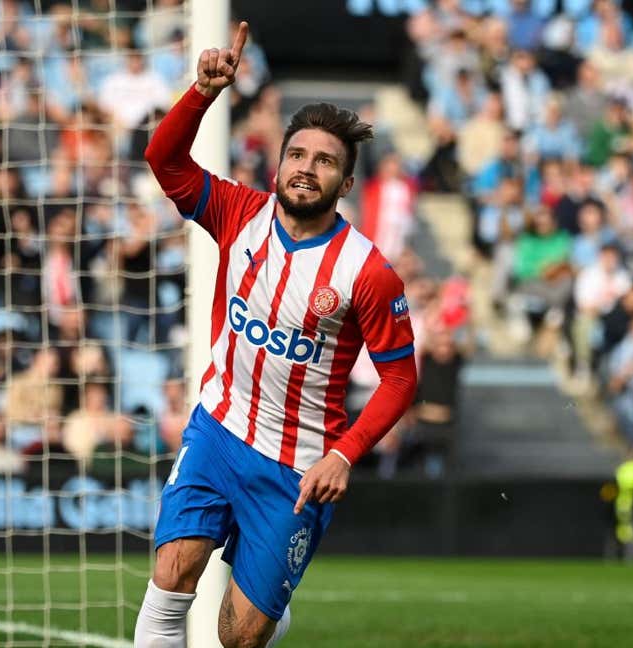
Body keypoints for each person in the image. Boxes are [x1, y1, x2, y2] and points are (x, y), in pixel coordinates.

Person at [134, 23, 418, 648]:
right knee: (171, 576)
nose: (306, 169)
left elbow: (401, 377)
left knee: (239, 635)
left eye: (324, 162)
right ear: (277, 161)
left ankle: (267, 604)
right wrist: (202, 93)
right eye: (297, 155)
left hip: (298, 467)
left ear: (346, 184)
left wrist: (345, 453)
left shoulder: (366, 271)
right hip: (218, 427)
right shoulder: (238, 212)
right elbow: (163, 160)